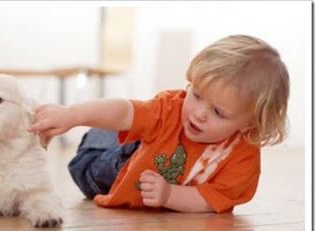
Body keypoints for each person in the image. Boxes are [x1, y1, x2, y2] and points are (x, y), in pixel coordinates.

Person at [28, 34, 289, 213]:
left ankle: (136, 134)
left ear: (249, 124)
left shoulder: (242, 158)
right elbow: (123, 111)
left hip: (143, 168)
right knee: (128, 121)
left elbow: (212, 199)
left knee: (144, 123)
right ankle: (118, 131)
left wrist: (169, 196)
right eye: (196, 95)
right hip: (99, 169)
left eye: (218, 112)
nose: (199, 113)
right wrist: (72, 115)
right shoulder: (173, 107)